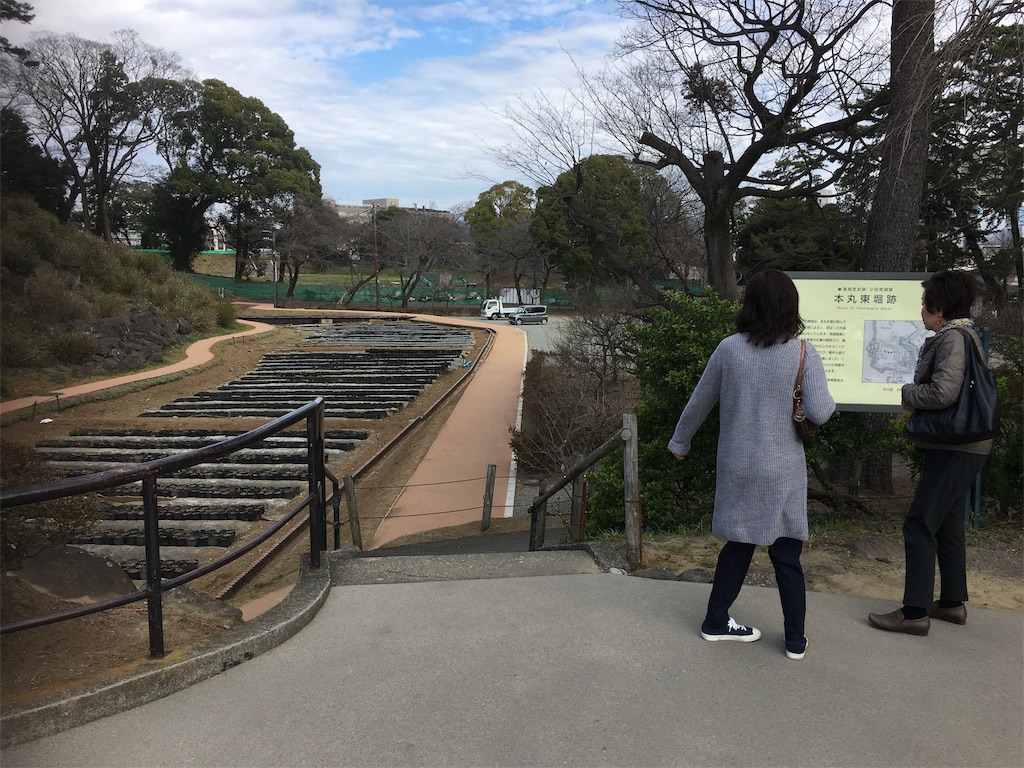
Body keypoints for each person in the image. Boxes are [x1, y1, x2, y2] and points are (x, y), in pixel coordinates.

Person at [668, 269, 835, 660]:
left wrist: (680, 442)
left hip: (737, 465)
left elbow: (700, 401)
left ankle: (715, 621)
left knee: (738, 545)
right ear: (791, 308)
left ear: (749, 305)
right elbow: (820, 412)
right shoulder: (803, 353)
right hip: (782, 470)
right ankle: (794, 640)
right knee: (786, 554)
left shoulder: (728, 349)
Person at [868, 270, 993, 636]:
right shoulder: (965, 335)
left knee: (919, 523)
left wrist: (908, 394)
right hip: (967, 445)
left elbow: (942, 393)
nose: (921, 311)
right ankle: (952, 603)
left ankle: (914, 612)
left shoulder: (952, 339)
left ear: (939, 310)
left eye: (925, 305)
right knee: (948, 522)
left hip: (956, 446)